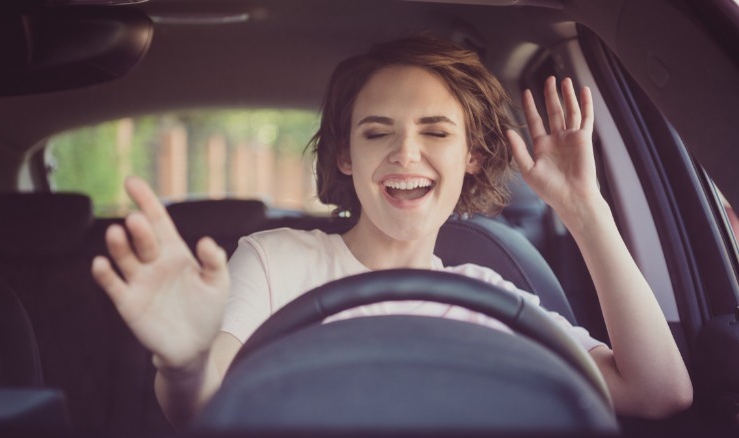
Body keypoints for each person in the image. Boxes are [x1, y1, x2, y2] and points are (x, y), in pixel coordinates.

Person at [91, 35, 692, 428]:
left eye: (435, 132)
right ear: (346, 156)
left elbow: (658, 392)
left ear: (474, 156)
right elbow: (201, 405)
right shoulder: (276, 261)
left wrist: (585, 207)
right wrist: (187, 362)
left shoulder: (493, 297)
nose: (406, 153)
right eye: (377, 132)